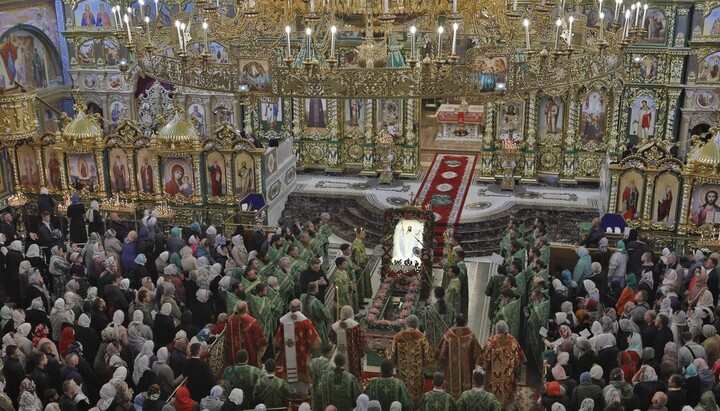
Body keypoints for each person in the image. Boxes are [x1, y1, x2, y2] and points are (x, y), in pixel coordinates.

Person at [273, 299, 321, 396]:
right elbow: (315, 342)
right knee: (303, 382)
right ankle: (303, 395)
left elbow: (277, 342)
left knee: (290, 382)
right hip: (302, 358)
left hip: (287, 358)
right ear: (300, 308)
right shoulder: (305, 322)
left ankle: (290, 396)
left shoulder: (283, 321)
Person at [476, 320, 527, 408]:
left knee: (492, 398)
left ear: (497, 330)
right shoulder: (512, 341)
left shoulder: (490, 341)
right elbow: (520, 358)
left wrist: (485, 368)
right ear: (506, 329)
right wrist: (513, 367)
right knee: (507, 399)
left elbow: (483, 361)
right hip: (508, 377)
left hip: (492, 378)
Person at [386, 315, 432, 404]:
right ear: (417, 324)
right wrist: (424, 363)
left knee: (402, 389)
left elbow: (390, 355)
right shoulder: (421, 337)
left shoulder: (397, 337)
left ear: (406, 324)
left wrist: (396, 361)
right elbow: (428, 356)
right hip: (416, 373)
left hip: (402, 372)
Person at [437, 314, 481, 400]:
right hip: (466, 369)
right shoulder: (470, 335)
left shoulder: (448, 335)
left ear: (455, 322)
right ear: (465, 323)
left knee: (452, 394)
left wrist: (443, 364)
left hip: (451, 371)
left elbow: (442, 355)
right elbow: (477, 353)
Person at [329, 305, 368, 378]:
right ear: (352, 314)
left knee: (341, 370)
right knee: (353, 375)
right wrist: (362, 352)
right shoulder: (356, 326)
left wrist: (338, 342)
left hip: (341, 351)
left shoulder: (335, 326)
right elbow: (363, 340)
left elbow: (331, 337)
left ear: (341, 314)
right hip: (354, 355)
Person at [225, 300, 267, 367]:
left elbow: (228, 336)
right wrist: (259, 346)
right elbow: (259, 338)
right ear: (245, 309)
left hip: (234, 350)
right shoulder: (252, 321)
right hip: (248, 348)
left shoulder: (230, 319)